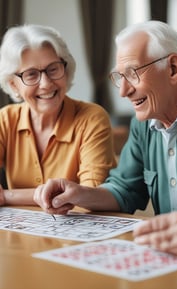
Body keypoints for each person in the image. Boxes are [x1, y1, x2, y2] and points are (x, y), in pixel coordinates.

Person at [34, 20, 177, 256]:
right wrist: (79, 193)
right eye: (119, 77)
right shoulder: (142, 125)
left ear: (173, 68)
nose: (123, 91)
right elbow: (125, 190)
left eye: (133, 73)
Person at [0, 24, 116, 206]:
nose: (46, 84)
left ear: (66, 69)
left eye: (53, 69)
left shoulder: (92, 118)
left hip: (80, 231)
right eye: (31, 75)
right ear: (14, 85)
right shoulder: (5, 120)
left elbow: (91, 194)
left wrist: (7, 196)